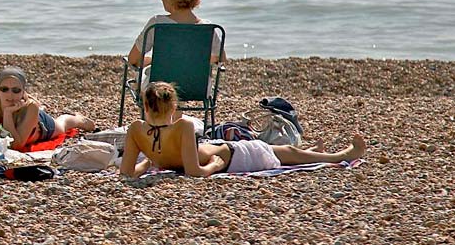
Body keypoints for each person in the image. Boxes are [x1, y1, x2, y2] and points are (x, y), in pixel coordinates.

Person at [120, 82, 366, 178]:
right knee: (286, 151)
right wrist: (215, 165)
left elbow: (126, 174)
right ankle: (342, 156)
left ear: (145, 106)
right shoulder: (182, 126)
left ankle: (312, 152)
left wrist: (149, 164)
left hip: (232, 154)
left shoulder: (135, 129)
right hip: (233, 157)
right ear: (173, 106)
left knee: (284, 152)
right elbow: (194, 171)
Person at [0, 67, 95, 150]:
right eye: (4, 89)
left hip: (42, 126)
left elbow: (16, 145)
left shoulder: (31, 106)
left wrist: (7, 113)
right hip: (22, 123)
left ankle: (78, 119)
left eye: (16, 90)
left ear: (23, 91)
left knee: (62, 124)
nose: (10, 95)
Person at [128, 0, 225, 68]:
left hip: (161, 82)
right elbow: (221, 58)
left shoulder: (157, 24)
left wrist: (161, 60)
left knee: (140, 77)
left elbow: (133, 59)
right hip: (197, 83)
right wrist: (191, 60)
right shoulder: (207, 27)